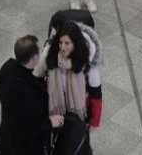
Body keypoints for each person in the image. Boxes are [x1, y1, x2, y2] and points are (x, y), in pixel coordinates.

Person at [37, 20, 100, 149]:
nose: (62, 47)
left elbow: (96, 94)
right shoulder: (49, 54)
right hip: (54, 112)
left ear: (75, 43)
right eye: (60, 42)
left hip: (78, 115)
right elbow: (36, 78)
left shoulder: (88, 62)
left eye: (67, 43)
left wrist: (94, 121)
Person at [0, 35, 57, 155]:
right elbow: (25, 127)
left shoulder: (8, 69)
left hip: (7, 141)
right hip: (24, 148)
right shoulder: (26, 93)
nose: (43, 51)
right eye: (40, 50)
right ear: (33, 58)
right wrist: (49, 123)